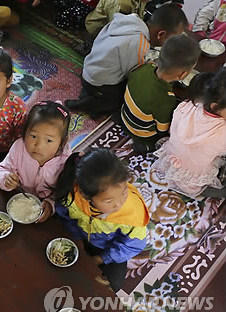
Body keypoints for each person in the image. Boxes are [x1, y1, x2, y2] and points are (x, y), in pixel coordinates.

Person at [65, 3, 188, 118]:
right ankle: (87, 104)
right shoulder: (139, 42)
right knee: (122, 100)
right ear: (161, 34)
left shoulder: (130, 20)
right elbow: (134, 76)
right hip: (98, 83)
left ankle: (90, 92)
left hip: (89, 68)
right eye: (171, 40)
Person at [54, 148, 149, 292]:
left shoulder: (132, 214)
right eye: (108, 200)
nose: (118, 204)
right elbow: (65, 217)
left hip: (106, 247)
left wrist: (100, 259)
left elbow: (133, 245)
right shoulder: (74, 197)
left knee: (113, 285)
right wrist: (77, 242)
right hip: (80, 236)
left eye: (124, 192)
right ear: (85, 195)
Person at [120, 35, 201, 153]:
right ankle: (145, 146)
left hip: (124, 115)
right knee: (168, 139)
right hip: (141, 134)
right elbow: (162, 129)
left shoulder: (145, 68)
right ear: (183, 75)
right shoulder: (166, 99)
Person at [0, 100, 72, 222]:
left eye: (49, 140)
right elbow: (1, 169)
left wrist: (51, 204)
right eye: (33, 136)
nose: (38, 146)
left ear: (62, 142)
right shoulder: (19, 148)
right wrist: (5, 178)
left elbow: (66, 192)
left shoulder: (66, 163)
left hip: (46, 206)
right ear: (25, 132)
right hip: (21, 198)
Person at [153, 69, 226, 198]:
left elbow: (172, 130)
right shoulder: (222, 133)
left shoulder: (187, 106)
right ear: (215, 106)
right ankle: (192, 190)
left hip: (173, 158)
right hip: (192, 176)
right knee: (218, 190)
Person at [85, 0, 150, 37]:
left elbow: (139, 17)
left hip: (117, 27)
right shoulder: (120, 3)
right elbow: (115, 29)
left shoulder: (142, 1)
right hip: (98, 31)